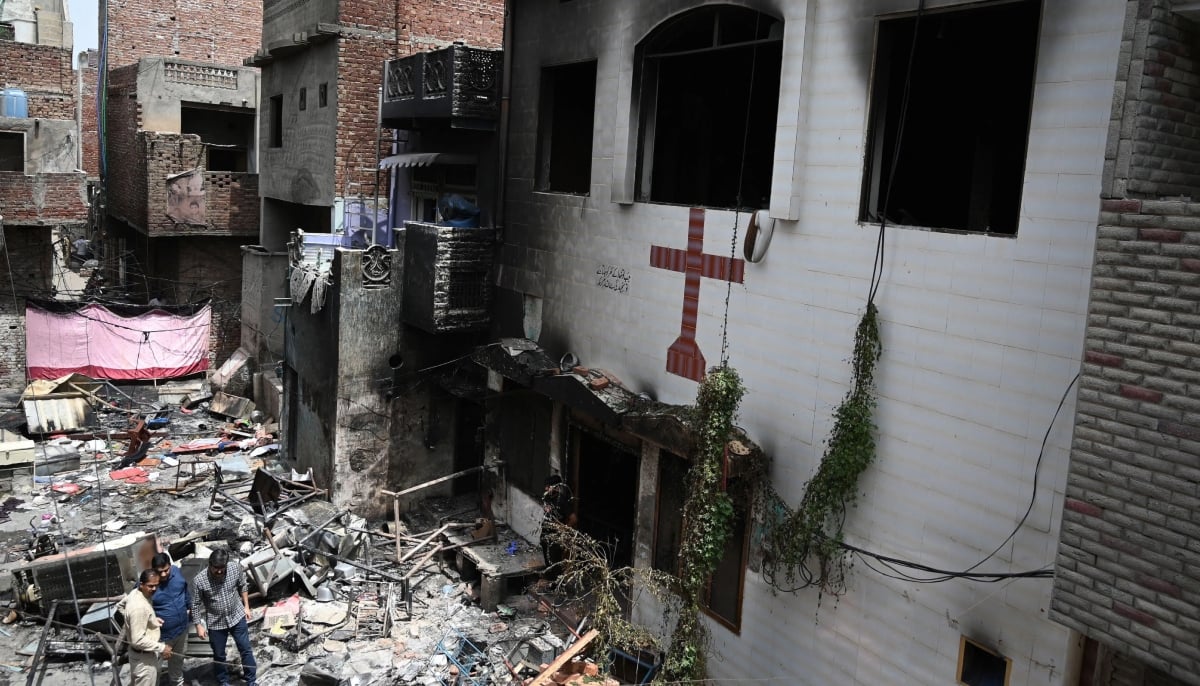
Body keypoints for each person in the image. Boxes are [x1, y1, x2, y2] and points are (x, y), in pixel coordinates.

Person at [191, 550, 256, 686]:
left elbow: (243, 585)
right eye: (216, 568)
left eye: (222, 568)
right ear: (210, 564)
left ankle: (251, 680)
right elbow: (195, 604)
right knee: (219, 654)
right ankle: (223, 681)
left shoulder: (234, 568)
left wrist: (246, 606)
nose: (219, 571)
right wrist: (198, 625)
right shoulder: (199, 580)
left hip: (236, 616)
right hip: (216, 622)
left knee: (245, 649)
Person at [123, 569, 172, 686]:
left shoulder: (135, 593)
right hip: (144, 660)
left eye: (156, 585)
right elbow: (138, 640)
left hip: (139, 655)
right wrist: (162, 648)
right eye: (150, 586)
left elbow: (120, 606)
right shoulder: (139, 608)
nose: (154, 589)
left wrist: (149, 621)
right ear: (141, 585)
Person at [150, 553, 190, 686]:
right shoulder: (148, 583)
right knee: (154, 667)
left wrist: (188, 606)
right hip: (161, 636)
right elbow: (135, 604)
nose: (162, 575)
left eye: (166, 570)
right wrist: (151, 618)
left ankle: (177, 682)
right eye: (159, 572)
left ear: (170, 566)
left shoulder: (177, 573)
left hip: (181, 630)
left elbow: (185, 590)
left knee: (177, 660)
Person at [539, 474, 573, 573]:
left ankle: (557, 583)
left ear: (557, 487)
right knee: (547, 558)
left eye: (549, 486)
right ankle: (550, 578)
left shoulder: (562, 501)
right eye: (546, 486)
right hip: (545, 533)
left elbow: (573, 518)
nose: (546, 488)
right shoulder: (546, 497)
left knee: (555, 560)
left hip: (556, 536)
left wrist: (563, 528)